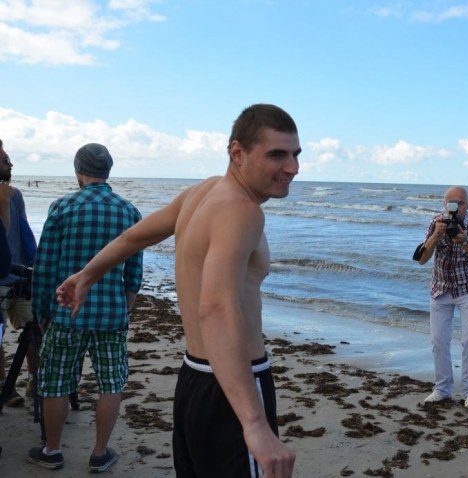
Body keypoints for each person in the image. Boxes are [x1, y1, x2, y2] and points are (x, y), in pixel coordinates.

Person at [56, 104, 299, 478]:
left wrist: (87, 275)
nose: (292, 168)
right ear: (238, 152)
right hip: (235, 384)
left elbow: (134, 237)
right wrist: (254, 424)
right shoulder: (242, 210)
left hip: (194, 381)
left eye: (296, 154)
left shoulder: (202, 192)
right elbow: (215, 307)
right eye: (277, 155)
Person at [26, 143, 144, 472]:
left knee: (56, 383)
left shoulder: (63, 207)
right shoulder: (129, 211)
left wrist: (43, 311)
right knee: (111, 384)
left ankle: (52, 450)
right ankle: (100, 453)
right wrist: (125, 309)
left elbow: (45, 267)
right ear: (108, 171)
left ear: (78, 170)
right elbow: (134, 273)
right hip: (111, 315)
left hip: (66, 313)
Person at [416, 186, 468, 411]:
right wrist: (436, 235)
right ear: (444, 205)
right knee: (439, 341)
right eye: (451, 204)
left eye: (460, 203)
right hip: (440, 288)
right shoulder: (436, 222)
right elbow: (422, 259)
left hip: (467, 288)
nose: (455, 208)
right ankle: (442, 389)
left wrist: (465, 241)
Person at [0, 139, 37, 409]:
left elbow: (25, 233)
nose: (11, 164)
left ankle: (35, 380)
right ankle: (5, 386)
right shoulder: (7, 197)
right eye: (5, 160)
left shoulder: (15, 195)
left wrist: (34, 268)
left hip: (19, 277)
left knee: (32, 331)